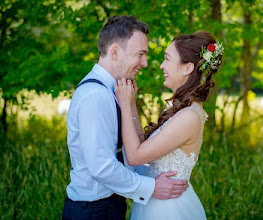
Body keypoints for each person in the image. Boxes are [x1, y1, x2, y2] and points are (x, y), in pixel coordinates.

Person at [62, 15, 189, 219]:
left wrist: (153, 176)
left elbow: (121, 154)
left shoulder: (113, 90)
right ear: (115, 52)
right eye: (140, 54)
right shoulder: (96, 96)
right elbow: (102, 167)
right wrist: (151, 187)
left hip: (110, 205)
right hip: (93, 211)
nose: (145, 63)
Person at [114, 31, 224, 219]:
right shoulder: (183, 110)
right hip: (156, 201)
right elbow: (142, 147)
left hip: (168, 209)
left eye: (167, 59)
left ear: (188, 68)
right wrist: (131, 104)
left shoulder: (189, 116)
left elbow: (134, 156)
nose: (162, 66)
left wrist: (124, 105)